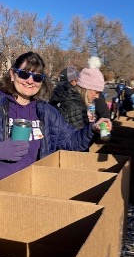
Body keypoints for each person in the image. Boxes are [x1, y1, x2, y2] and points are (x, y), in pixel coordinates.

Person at [0, 51, 111, 180]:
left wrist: (92, 128)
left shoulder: (47, 112)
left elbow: (71, 141)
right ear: (13, 75)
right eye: (24, 74)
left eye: (37, 77)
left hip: (33, 187)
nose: (30, 81)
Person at [49, 57, 110, 130]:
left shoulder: (72, 99)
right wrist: (93, 129)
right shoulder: (75, 107)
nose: (97, 96)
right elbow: (76, 139)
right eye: (96, 92)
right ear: (86, 89)